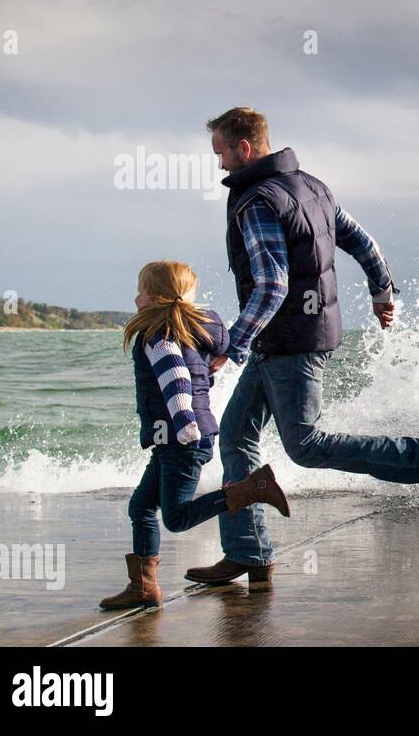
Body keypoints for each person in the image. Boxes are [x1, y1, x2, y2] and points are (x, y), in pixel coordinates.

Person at [184, 108, 419, 587]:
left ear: (244, 149)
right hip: (293, 336)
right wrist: (381, 292)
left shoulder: (256, 201)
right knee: (235, 437)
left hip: (288, 342)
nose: (222, 165)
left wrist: (233, 344)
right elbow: (364, 242)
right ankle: (249, 553)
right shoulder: (314, 187)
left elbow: (271, 285)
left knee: (306, 446)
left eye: (223, 153)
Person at [101, 260, 288, 609]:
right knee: (141, 506)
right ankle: (143, 587)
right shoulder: (190, 332)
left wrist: (185, 421)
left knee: (176, 517)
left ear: (156, 296)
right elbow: (207, 364)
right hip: (177, 439)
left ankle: (252, 488)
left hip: (182, 437)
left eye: (140, 291)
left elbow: (177, 380)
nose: (135, 298)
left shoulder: (158, 335)